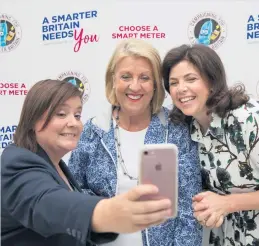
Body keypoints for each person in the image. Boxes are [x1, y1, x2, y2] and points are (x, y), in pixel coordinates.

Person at [1, 79, 174, 246]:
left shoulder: (57, 166)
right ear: (33, 119)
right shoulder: (16, 162)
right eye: (61, 114)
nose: (74, 123)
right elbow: (47, 203)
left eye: (77, 115)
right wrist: (107, 212)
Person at [68, 39, 202, 246]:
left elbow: (189, 212)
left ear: (156, 83)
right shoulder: (94, 130)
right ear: (113, 79)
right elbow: (73, 195)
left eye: (145, 77)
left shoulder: (176, 131)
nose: (135, 86)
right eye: (126, 76)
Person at [162, 44, 259, 246]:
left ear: (212, 82)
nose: (181, 89)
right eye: (173, 82)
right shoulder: (189, 129)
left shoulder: (248, 120)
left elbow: (225, 201)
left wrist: (227, 203)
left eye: (191, 79)